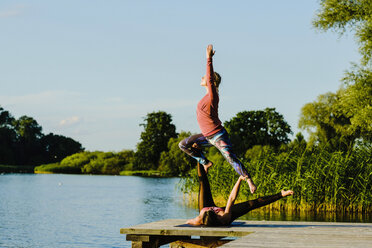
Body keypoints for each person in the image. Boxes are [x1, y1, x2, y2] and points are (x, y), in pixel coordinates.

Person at [179, 44, 257, 193]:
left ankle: (248, 180)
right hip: (206, 137)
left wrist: (209, 58)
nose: (202, 78)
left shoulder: (213, 96)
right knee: (183, 144)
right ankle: (205, 162)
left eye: (205, 77)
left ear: (211, 82)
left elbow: (209, 77)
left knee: (230, 158)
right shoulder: (204, 98)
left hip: (218, 135)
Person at [186, 163, 294, 226]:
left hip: (205, 207)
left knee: (203, 183)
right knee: (251, 204)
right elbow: (231, 199)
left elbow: (188, 222)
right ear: (216, 216)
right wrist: (239, 180)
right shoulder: (225, 217)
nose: (213, 208)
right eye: (212, 211)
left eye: (211, 210)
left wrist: (187, 223)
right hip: (224, 213)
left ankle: (198, 153)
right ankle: (281, 194)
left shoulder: (198, 219)